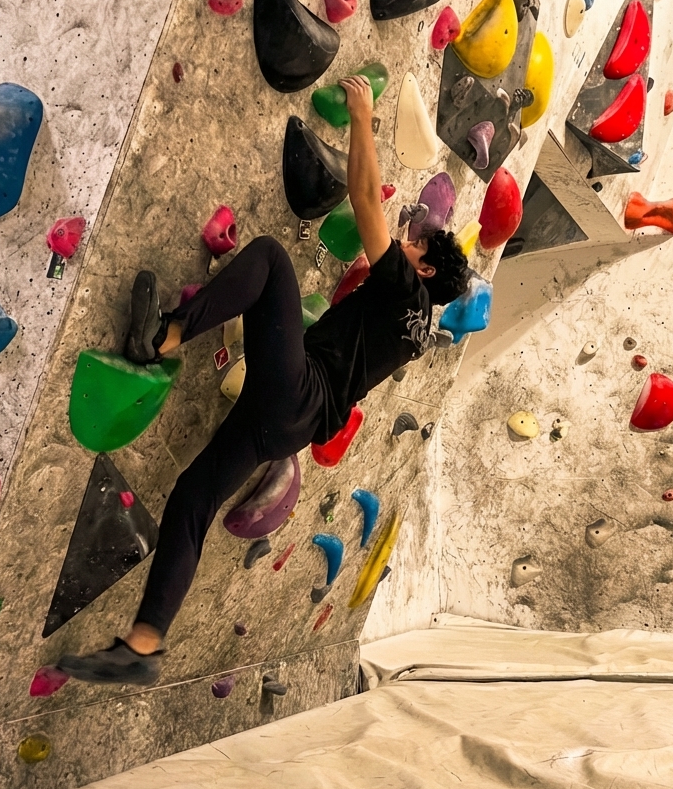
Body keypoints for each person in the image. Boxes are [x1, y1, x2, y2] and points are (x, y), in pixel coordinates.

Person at [58, 75, 469, 685]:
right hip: (290, 421)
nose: (406, 243)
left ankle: (165, 336)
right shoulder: (413, 326)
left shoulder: (405, 287)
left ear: (426, 268)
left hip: (298, 391)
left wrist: (363, 115)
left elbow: (363, 199)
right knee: (193, 498)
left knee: (273, 259)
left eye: (416, 246)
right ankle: (143, 645)